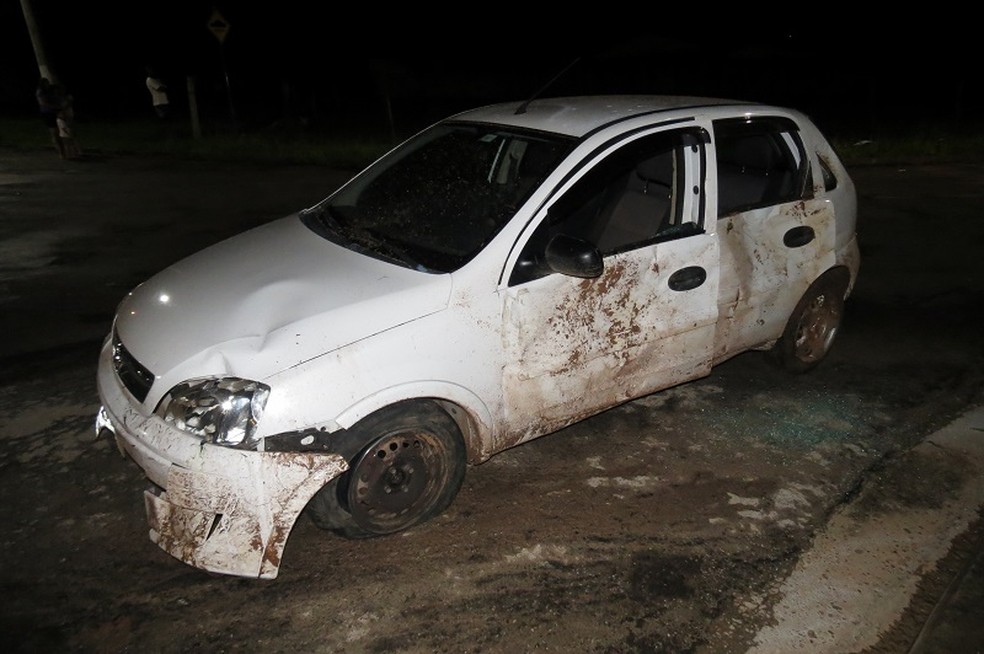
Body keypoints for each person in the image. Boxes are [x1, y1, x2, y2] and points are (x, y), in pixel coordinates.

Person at [36, 77, 66, 158]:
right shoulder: (41, 92)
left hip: (56, 112)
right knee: (54, 132)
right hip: (48, 113)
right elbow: (43, 103)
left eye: (48, 83)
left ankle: (64, 150)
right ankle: (61, 152)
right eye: (46, 83)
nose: (47, 84)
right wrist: (56, 107)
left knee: (61, 131)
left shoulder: (51, 90)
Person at [54, 83, 82, 160]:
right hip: (63, 119)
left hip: (67, 118)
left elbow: (66, 105)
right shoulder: (59, 99)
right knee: (66, 137)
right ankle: (72, 153)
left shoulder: (67, 98)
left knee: (70, 136)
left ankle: (75, 152)